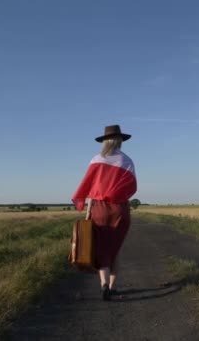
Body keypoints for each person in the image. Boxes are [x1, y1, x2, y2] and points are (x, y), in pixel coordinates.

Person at [72, 125, 137, 301]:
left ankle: (104, 285)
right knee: (115, 250)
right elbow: (132, 188)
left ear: (105, 141)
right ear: (120, 140)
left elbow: (92, 190)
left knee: (102, 250)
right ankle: (113, 287)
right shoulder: (127, 161)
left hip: (99, 209)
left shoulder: (96, 159)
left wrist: (87, 214)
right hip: (120, 210)